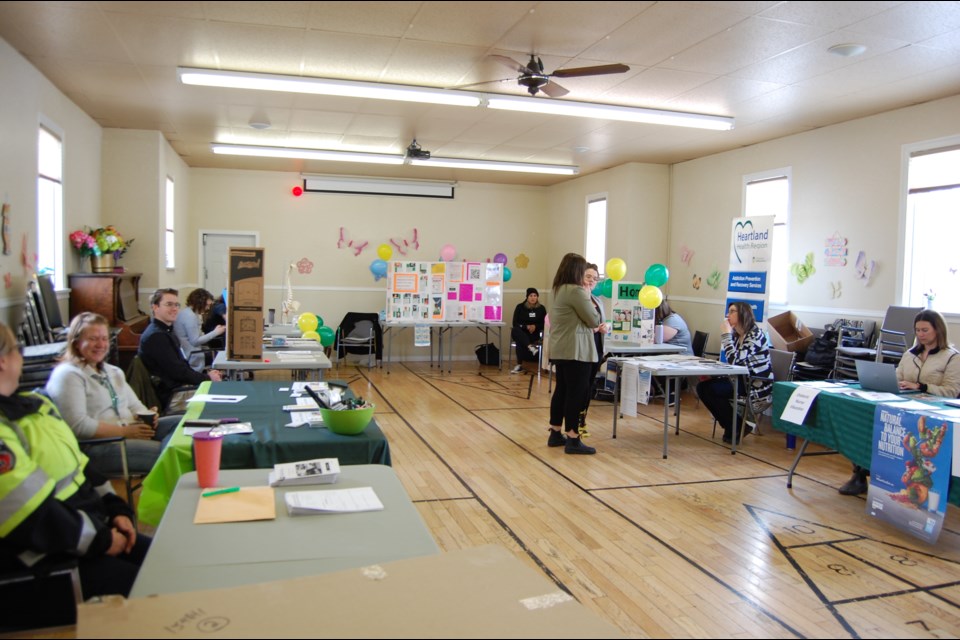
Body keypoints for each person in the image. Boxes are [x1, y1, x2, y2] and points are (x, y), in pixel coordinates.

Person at [0, 321, 150, 598]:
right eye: (18, 349)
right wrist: (102, 540)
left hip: (88, 526)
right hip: (47, 556)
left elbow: (80, 465)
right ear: (2, 362)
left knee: (164, 559)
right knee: (153, 588)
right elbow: (30, 517)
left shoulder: (37, 405)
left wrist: (116, 508)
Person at [840, 309, 960, 495]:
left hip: (931, 411)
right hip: (903, 404)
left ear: (938, 330)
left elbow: (951, 391)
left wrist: (920, 386)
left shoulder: (952, 357)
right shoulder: (910, 354)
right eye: (917, 330)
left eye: (925, 330)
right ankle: (860, 471)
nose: (920, 334)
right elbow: (896, 378)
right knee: (865, 421)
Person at [45, 312, 180, 477]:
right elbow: (78, 425)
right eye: (93, 339)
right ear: (76, 342)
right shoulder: (69, 375)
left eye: (104, 338)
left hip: (129, 433)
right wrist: (124, 432)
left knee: (182, 424)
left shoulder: (113, 371)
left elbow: (134, 405)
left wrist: (148, 415)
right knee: (172, 454)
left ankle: (168, 462)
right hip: (98, 446)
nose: (100, 344)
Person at [547, 253, 601, 455]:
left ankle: (555, 432)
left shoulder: (560, 289)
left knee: (562, 390)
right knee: (576, 393)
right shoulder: (576, 291)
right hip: (576, 350)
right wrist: (587, 296)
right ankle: (572, 437)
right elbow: (594, 319)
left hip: (562, 348)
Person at [696, 301, 773, 444]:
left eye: (732, 311)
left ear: (743, 314)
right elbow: (735, 365)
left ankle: (735, 426)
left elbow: (735, 361)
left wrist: (726, 335)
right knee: (702, 388)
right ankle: (734, 425)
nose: (728, 315)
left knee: (712, 389)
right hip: (740, 380)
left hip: (755, 385)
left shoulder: (755, 335)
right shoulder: (738, 336)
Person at [139, 288, 222, 412]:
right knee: (221, 399)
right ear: (155, 307)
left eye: (176, 305)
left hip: (180, 387)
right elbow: (179, 372)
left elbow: (181, 368)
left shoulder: (164, 331)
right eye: (169, 304)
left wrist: (206, 376)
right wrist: (207, 378)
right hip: (174, 395)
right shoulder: (157, 336)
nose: (174, 309)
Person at [174, 288, 226, 371]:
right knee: (224, 356)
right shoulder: (190, 317)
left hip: (191, 352)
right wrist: (216, 332)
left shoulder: (187, 313)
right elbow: (195, 341)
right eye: (207, 305)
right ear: (200, 303)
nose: (208, 308)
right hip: (193, 356)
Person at [510, 287, 547, 374]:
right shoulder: (520, 307)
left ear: (537, 297)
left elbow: (545, 323)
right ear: (527, 297)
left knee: (520, 340)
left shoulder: (541, 309)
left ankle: (519, 364)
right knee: (516, 331)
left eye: (535, 295)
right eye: (531, 295)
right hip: (523, 332)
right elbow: (515, 323)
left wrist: (535, 326)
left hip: (535, 334)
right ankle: (530, 347)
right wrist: (526, 327)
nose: (533, 298)